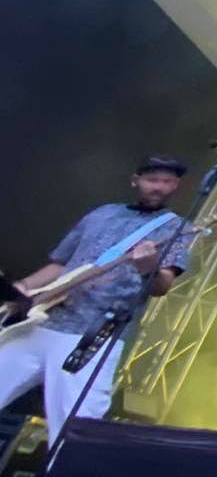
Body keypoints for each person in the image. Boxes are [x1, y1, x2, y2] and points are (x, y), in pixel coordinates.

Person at [0, 156, 193, 449]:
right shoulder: (102, 213)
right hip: (42, 320)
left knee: (75, 428)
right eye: (152, 180)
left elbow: (163, 285)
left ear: (176, 186)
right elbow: (61, 264)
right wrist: (22, 289)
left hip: (92, 335)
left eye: (167, 182)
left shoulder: (178, 228)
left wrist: (148, 266)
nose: (159, 188)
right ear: (135, 180)